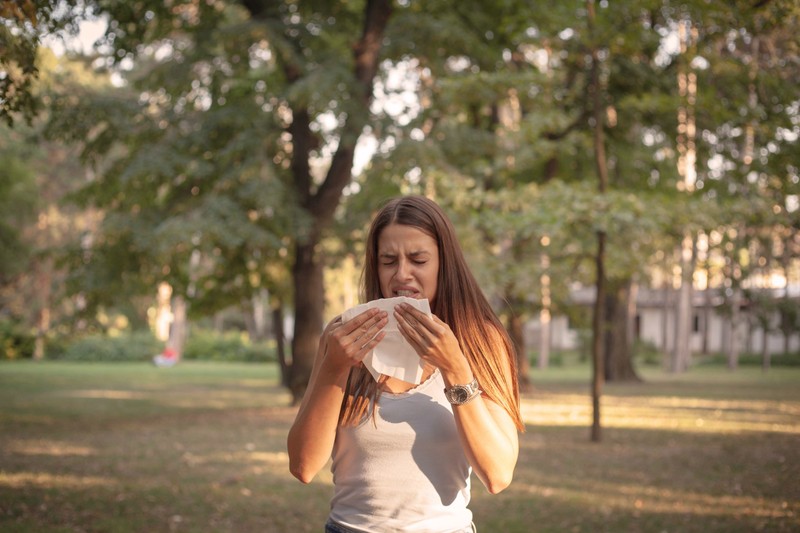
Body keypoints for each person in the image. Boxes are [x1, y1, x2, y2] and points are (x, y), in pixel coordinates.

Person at [287, 195, 525, 533]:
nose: (402, 274)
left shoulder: (481, 340)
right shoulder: (344, 335)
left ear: (444, 263)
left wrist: (455, 367)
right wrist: (333, 368)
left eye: (418, 259)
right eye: (388, 260)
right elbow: (304, 466)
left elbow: (498, 475)